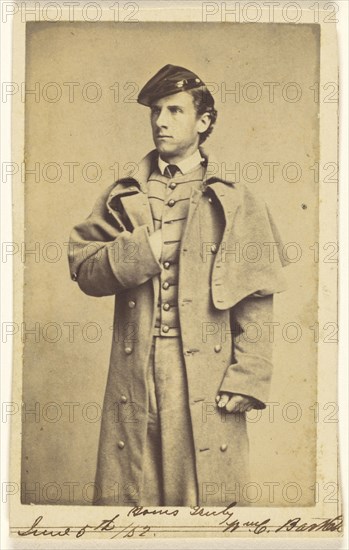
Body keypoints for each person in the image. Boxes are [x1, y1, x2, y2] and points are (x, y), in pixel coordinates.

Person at [68, 64, 288, 507]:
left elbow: (257, 298)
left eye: (174, 110)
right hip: (136, 364)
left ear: (203, 122)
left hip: (205, 366)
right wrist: (141, 251)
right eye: (155, 111)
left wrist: (249, 377)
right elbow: (85, 271)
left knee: (201, 496)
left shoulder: (235, 197)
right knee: (133, 494)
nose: (161, 121)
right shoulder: (123, 194)